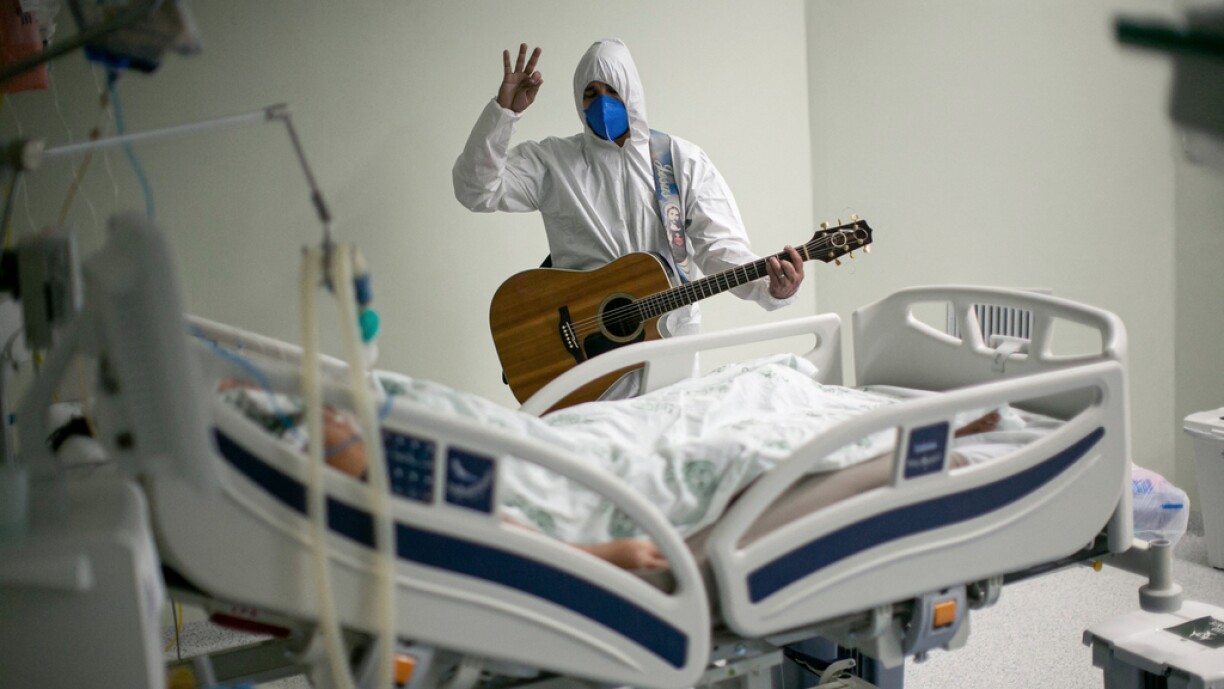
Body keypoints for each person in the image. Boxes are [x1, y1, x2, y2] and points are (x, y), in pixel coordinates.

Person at [453, 39, 806, 350]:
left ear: (632, 94)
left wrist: (773, 288)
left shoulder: (681, 161)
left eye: (613, 91)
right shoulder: (553, 162)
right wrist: (503, 114)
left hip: (668, 342)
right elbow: (476, 190)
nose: (602, 103)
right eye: (591, 94)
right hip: (582, 350)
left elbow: (720, 250)